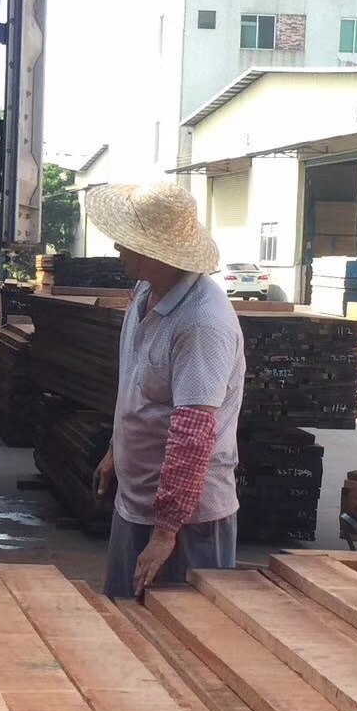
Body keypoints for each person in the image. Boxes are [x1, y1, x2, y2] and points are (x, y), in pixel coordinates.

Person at [85, 182, 245, 599]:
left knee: (182, 632)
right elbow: (136, 389)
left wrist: (165, 532)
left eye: (126, 239)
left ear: (152, 251)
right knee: (124, 619)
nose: (117, 246)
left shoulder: (201, 322)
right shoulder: (145, 293)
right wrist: (116, 451)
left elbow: (193, 434)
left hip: (187, 524)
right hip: (138, 502)